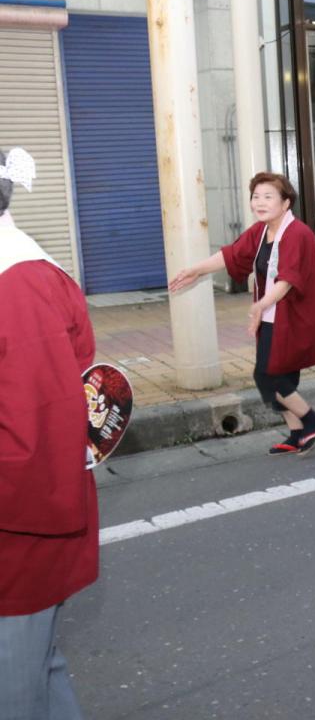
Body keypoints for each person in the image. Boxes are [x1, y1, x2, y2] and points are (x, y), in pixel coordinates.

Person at [0, 148, 97, 719]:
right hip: (26, 520)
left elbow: (35, 438)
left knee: (14, 688)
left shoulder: (17, 286)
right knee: (35, 669)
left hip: (21, 529)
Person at [170, 173, 315, 455]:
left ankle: (312, 420)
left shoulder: (298, 234)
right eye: (256, 196)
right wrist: (196, 270)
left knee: (272, 376)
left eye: (268, 196)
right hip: (272, 315)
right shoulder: (260, 232)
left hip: (293, 317)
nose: (260, 202)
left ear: (285, 203)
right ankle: (297, 433)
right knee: (272, 377)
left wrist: (260, 304)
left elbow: (288, 279)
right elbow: (232, 255)